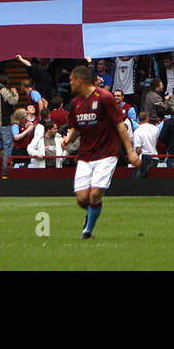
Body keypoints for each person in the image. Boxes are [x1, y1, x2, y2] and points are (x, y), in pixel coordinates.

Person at [62, 64, 140, 239]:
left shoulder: (105, 97)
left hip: (107, 153)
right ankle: (91, 213)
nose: (70, 83)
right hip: (85, 155)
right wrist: (68, 139)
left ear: (80, 81)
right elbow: (76, 128)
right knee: (82, 198)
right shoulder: (75, 103)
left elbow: (120, 125)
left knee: (95, 193)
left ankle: (87, 231)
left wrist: (130, 152)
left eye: (71, 80)